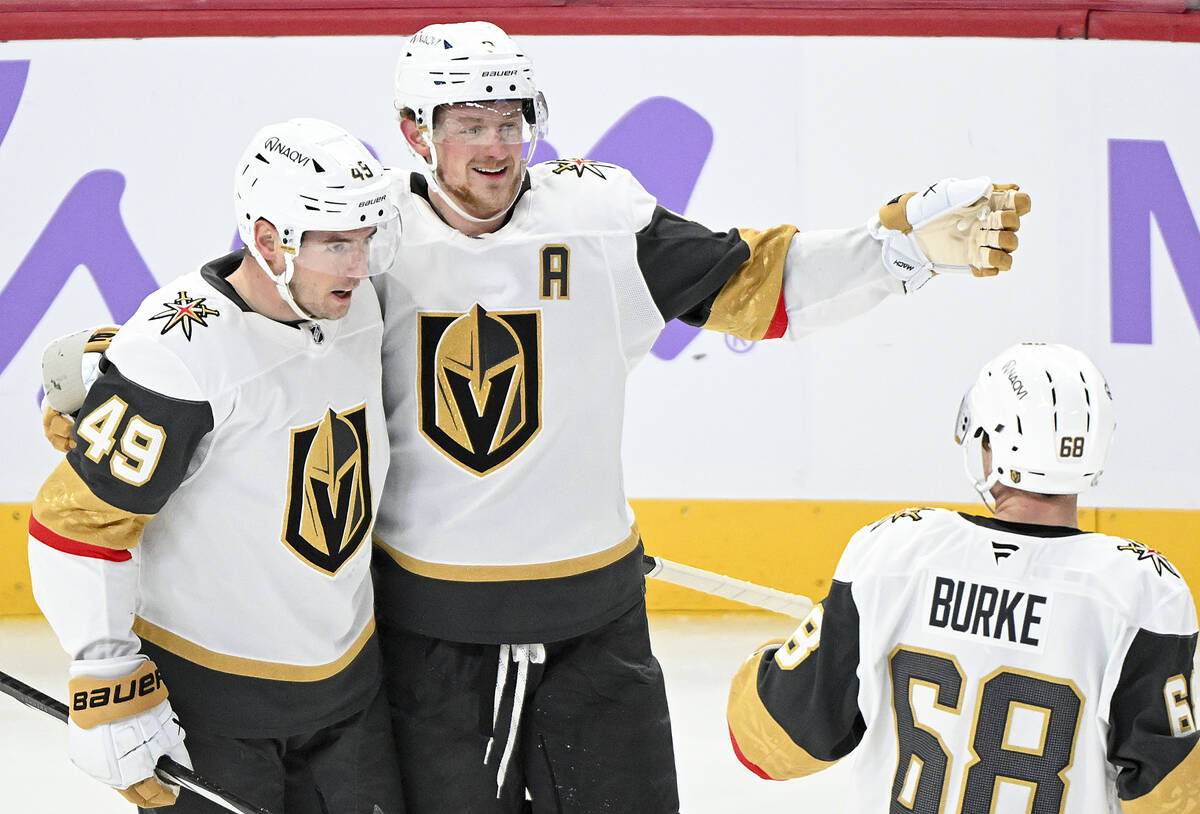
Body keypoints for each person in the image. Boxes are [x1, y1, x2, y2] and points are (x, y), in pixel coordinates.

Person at [368, 20, 1032, 813]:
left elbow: (755, 282)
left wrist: (899, 251)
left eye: (510, 123)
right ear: (415, 132)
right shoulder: (364, 241)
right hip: (432, 642)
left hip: (595, 628)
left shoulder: (598, 218)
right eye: (470, 126)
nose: (498, 148)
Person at [27, 118, 406, 813]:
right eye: (335, 243)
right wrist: (107, 675)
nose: (359, 264)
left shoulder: (360, 306)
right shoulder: (178, 356)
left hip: (351, 691)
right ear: (267, 240)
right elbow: (75, 527)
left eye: (365, 238)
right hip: (213, 710)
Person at [726, 342, 1199, 812]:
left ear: (987, 441)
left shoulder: (893, 553)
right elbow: (1176, 799)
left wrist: (776, 655)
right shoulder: (1142, 592)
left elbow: (767, 746)